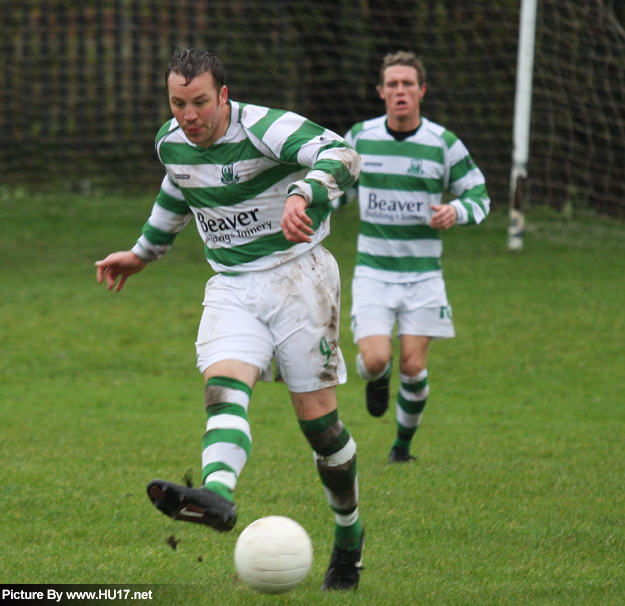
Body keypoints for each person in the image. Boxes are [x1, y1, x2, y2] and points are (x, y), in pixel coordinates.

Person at [96, 48, 364, 591]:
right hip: (232, 286)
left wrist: (302, 192)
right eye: (177, 104)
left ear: (223, 96)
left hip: (300, 279)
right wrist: (143, 252)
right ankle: (216, 494)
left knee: (320, 429)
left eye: (198, 103)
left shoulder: (266, 127)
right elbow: (179, 187)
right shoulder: (172, 141)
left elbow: (343, 154)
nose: (187, 116)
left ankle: (349, 536)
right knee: (223, 388)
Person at [339, 51, 490, 463]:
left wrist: (455, 211)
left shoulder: (443, 144)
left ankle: (401, 450)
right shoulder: (359, 138)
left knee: (412, 365)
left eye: (408, 84)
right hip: (373, 272)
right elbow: (338, 190)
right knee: (374, 360)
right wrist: (308, 204)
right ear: (381, 93)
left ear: (421, 90)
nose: (400, 91)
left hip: (424, 276)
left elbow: (478, 193)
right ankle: (377, 376)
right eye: (392, 84)